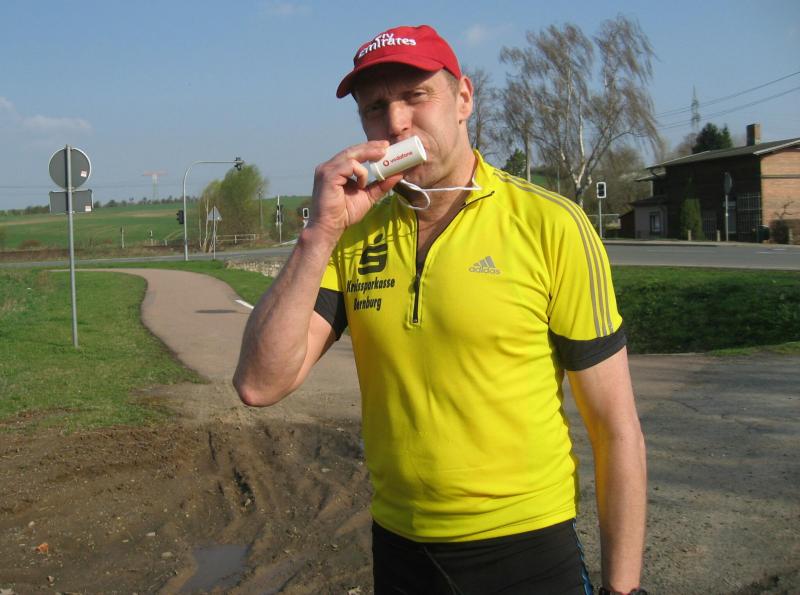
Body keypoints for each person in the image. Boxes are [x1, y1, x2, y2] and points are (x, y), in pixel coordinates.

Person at [234, 24, 647, 595]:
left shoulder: (550, 226)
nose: (397, 122)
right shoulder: (349, 237)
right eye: (375, 108)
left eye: (416, 96)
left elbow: (616, 429)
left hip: (527, 549)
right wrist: (318, 233)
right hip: (401, 551)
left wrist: (623, 591)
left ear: (463, 99)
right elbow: (260, 384)